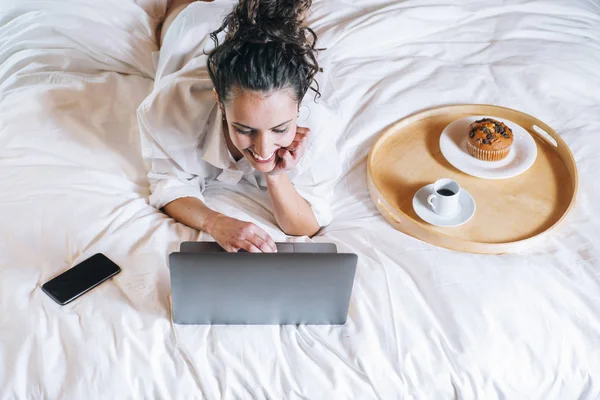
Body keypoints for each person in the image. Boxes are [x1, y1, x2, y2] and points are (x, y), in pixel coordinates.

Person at [138, 0, 342, 253]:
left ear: (299, 105)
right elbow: (168, 185)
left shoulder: (319, 122)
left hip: (263, 44)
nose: (263, 147)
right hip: (196, 30)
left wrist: (275, 174)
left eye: (280, 129)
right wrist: (215, 222)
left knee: (275, 19)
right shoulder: (169, 107)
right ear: (219, 102)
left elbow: (306, 226)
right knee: (178, 14)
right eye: (245, 129)